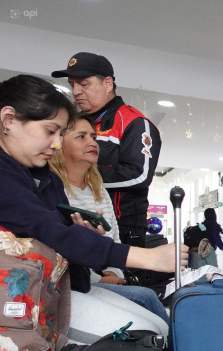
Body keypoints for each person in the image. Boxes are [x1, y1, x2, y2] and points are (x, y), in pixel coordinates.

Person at [0, 75, 185, 342]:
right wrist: (147, 257)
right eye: (50, 132)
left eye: (60, 134)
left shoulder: (45, 176)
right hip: (21, 301)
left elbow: (58, 233)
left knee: (160, 329)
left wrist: (83, 236)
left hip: (59, 288)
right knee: (147, 337)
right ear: (8, 119)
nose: (56, 144)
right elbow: (48, 230)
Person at [48, 113, 169, 324]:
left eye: (93, 137)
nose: (92, 143)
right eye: (81, 136)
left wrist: (113, 272)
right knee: (147, 301)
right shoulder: (53, 189)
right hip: (71, 284)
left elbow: (114, 238)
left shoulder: (99, 189)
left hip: (99, 278)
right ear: (59, 143)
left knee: (152, 312)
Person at [52, 52, 162, 248]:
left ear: (108, 83)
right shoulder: (70, 122)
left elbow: (139, 174)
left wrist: (84, 174)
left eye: (84, 84)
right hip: (72, 214)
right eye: (72, 84)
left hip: (122, 224)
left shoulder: (133, 122)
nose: (76, 91)